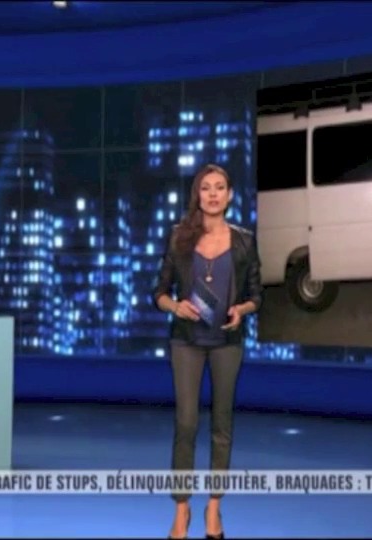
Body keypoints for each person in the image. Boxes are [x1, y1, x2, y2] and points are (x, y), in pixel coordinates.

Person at [152, 163, 262, 539]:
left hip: (227, 343)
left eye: (219, 188)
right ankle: (181, 509)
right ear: (197, 196)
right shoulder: (178, 237)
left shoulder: (244, 241)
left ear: (229, 196)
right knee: (186, 423)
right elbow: (159, 292)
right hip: (186, 341)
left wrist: (242, 309)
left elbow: (257, 294)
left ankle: (214, 507)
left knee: (222, 424)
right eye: (205, 188)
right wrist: (175, 306)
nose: (213, 194)